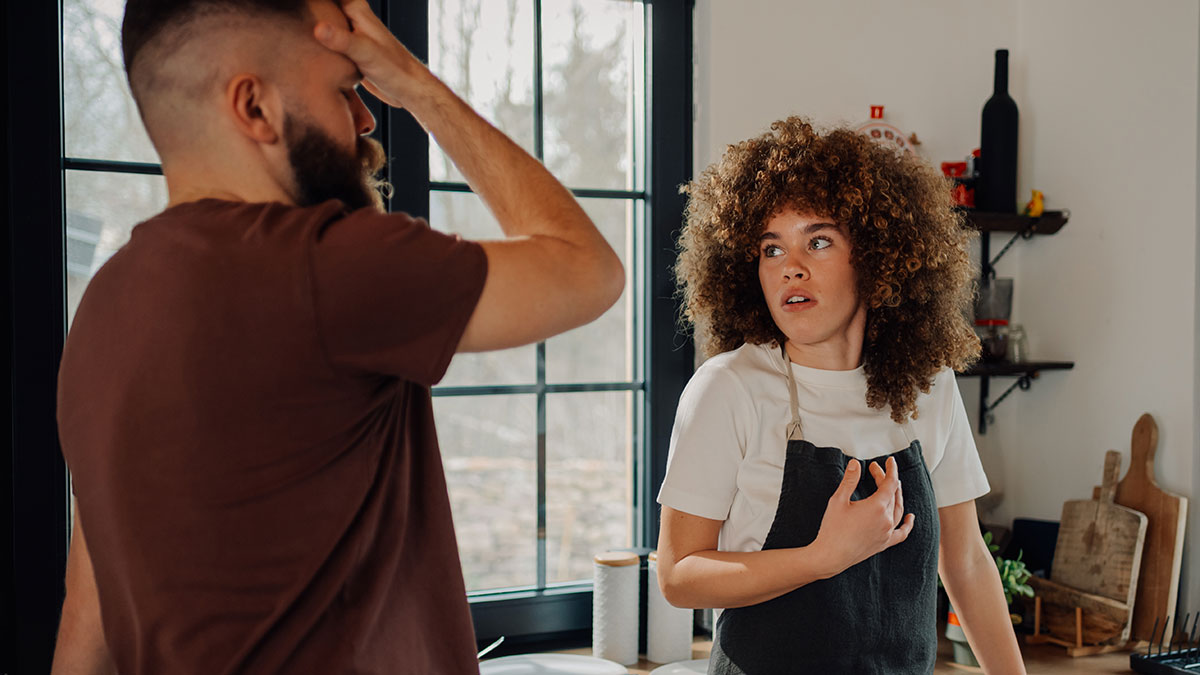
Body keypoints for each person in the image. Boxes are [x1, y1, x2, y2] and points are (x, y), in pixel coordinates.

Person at [51, 0, 623, 673]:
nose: (366, 117)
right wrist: (418, 84)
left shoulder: (101, 312)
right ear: (254, 107)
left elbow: (87, 618)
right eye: (345, 88)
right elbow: (589, 270)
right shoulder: (322, 265)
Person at [655, 118, 1026, 674]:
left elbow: (967, 558)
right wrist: (819, 559)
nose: (791, 268)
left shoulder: (929, 384)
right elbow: (678, 575)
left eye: (819, 240)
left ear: (875, 257)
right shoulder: (729, 388)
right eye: (771, 249)